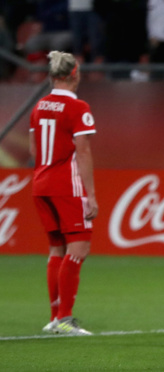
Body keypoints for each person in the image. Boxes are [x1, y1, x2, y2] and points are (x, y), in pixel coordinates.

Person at [30, 50, 98, 336]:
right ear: (74, 74)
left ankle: (54, 317)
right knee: (79, 249)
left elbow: (34, 150)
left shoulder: (40, 105)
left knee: (56, 248)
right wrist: (91, 195)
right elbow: (82, 152)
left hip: (40, 183)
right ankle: (65, 319)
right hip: (66, 185)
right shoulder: (78, 107)